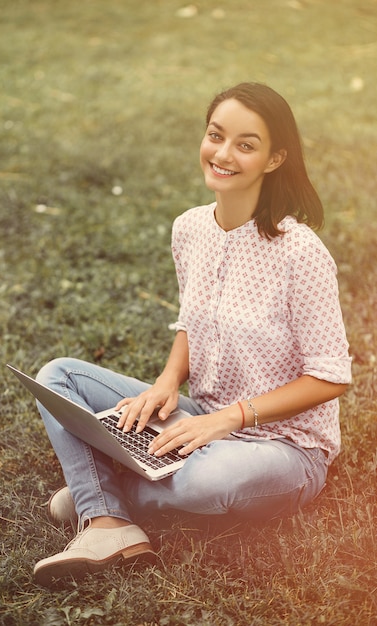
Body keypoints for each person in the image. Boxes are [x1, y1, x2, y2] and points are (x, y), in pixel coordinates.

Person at [33, 82, 351, 587]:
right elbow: (193, 321)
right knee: (58, 376)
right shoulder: (190, 229)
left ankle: (98, 493)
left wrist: (229, 420)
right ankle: (111, 523)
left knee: (209, 480)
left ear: (274, 159)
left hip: (286, 448)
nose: (223, 154)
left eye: (246, 145)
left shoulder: (300, 252)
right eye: (215, 136)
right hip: (197, 417)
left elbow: (331, 376)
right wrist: (165, 384)